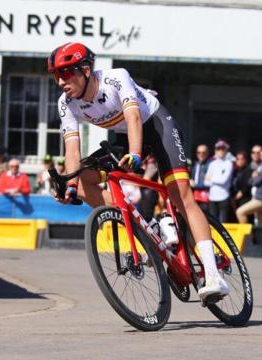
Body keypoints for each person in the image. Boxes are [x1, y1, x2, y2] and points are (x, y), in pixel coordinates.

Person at [48, 42, 228, 301]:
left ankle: (213, 276)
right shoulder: (66, 103)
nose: (60, 81)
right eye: (56, 75)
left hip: (155, 127)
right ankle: (148, 226)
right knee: (84, 179)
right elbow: (72, 151)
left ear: (85, 70)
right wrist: (70, 186)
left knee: (181, 196)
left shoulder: (115, 78)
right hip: (123, 136)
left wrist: (135, 154)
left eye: (65, 73)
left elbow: (133, 118)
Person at [236, 147, 262, 225]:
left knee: (240, 212)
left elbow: (257, 181)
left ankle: (246, 234)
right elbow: (250, 181)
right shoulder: (261, 166)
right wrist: (255, 177)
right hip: (258, 196)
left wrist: (255, 176)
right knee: (261, 221)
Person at [204, 140, 233, 223]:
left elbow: (223, 181)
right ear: (215, 150)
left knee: (223, 223)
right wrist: (215, 179)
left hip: (224, 196)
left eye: (223, 149)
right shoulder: (212, 164)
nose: (220, 151)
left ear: (226, 151)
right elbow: (206, 182)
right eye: (218, 149)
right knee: (213, 223)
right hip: (212, 197)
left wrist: (211, 178)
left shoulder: (228, 163)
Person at [190, 144, 212, 212]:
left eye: (203, 152)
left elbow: (209, 183)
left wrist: (195, 185)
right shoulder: (195, 164)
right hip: (195, 196)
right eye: (198, 152)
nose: (201, 154)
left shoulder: (211, 165)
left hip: (206, 197)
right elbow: (193, 178)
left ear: (207, 153)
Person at [231, 150, 252, 219]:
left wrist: (242, 192)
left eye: (242, 159)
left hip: (245, 198)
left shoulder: (248, 170)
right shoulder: (235, 171)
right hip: (235, 198)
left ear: (246, 160)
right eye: (237, 159)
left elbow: (248, 184)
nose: (239, 161)